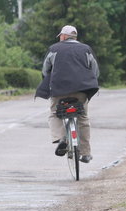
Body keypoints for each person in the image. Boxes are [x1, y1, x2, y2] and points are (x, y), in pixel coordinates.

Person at [35, 25, 99, 163]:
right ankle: (86, 153)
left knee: (54, 113)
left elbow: (45, 71)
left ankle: (61, 138)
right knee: (83, 117)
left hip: (59, 90)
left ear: (63, 36)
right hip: (82, 90)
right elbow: (94, 71)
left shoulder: (54, 49)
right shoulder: (86, 49)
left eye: (60, 36)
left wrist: (50, 82)